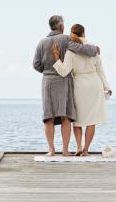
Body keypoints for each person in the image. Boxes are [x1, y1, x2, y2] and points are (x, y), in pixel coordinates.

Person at [33, 15, 99, 156]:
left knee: (48, 117)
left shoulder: (41, 42)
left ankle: (51, 149)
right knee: (66, 117)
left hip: (48, 82)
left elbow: (36, 64)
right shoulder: (66, 39)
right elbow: (80, 48)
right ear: (61, 26)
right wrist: (94, 50)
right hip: (64, 81)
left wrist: (47, 71)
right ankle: (65, 150)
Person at [52, 24, 112, 156]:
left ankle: (79, 147)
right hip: (94, 84)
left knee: (78, 120)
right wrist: (107, 87)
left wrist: (57, 58)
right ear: (84, 33)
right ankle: (86, 150)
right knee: (92, 120)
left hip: (79, 86)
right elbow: (100, 70)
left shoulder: (70, 51)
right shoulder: (93, 49)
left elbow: (63, 72)